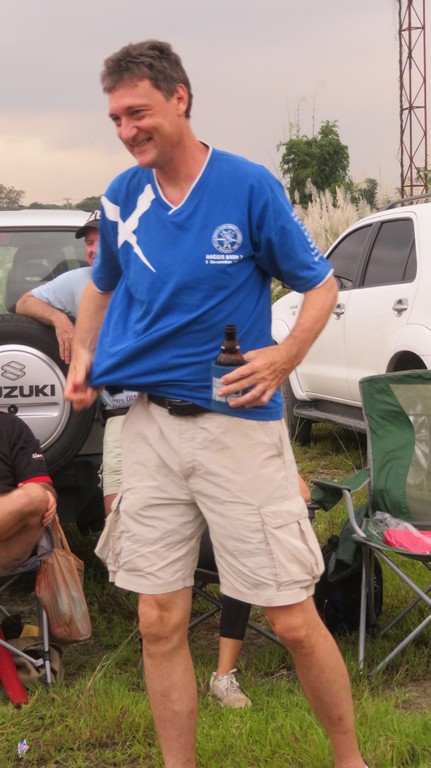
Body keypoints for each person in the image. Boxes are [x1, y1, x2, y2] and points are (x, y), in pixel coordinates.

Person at [64, 40, 367, 768]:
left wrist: (285, 356)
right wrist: (81, 356)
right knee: (157, 618)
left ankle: (349, 759)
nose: (126, 129)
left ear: (180, 98)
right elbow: (102, 282)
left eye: (137, 112)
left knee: (290, 615)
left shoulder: (247, 186)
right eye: (115, 118)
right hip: (148, 427)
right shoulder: (122, 195)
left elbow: (320, 284)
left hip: (237, 425)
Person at [210, 474, 312, 709]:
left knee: (243, 554)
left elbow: (303, 493)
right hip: (191, 535)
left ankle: (222, 677)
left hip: (239, 540)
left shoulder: (249, 454)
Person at [0, 412, 56, 577]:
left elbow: (41, 485)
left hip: (7, 544)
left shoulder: (11, 426)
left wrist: (47, 495)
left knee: (37, 494)